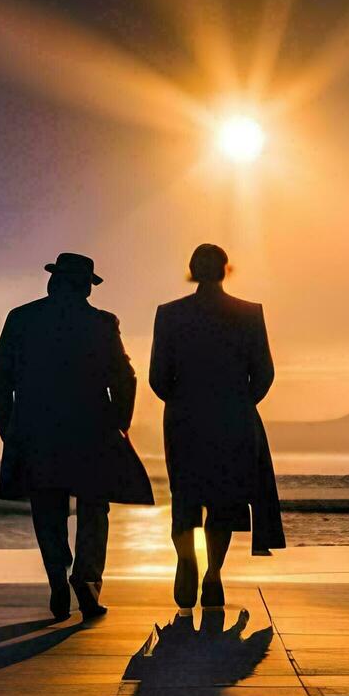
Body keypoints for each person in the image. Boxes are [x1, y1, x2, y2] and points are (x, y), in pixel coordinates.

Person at [0, 252, 154, 621]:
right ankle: (87, 583)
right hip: (91, 432)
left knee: (48, 508)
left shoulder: (22, 319)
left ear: (54, 281)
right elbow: (125, 379)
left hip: (36, 431)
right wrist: (119, 425)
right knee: (94, 509)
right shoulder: (102, 323)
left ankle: (57, 579)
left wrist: (9, 429)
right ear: (85, 288)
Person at [149, 243, 284, 611]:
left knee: (185, 498)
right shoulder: (248, 314)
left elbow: (157, 378)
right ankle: (213, 574)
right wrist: (238, 402)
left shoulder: (170, 314)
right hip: (233, 419)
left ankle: (186, 560)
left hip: (185, 420)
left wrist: (184, 400)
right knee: (222, 501)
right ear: (226, 270)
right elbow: (265, 374)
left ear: (193, 269)